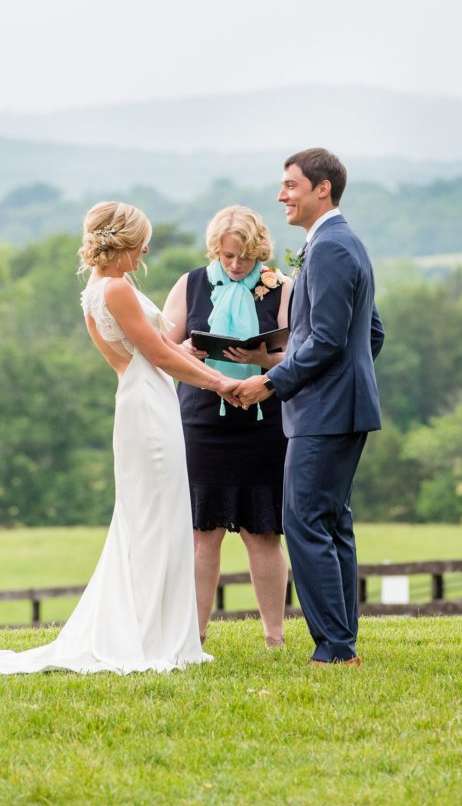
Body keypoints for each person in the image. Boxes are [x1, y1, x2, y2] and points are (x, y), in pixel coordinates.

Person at [0, 201, 239, 675]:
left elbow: (151, 350)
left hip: (139, 397)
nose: (146, 250)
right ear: (122, 243)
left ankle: (161, 631)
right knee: (153, 519)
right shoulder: (116, 289)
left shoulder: (96, 289)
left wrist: (183, 352)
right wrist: (221, 384)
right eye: (141, 242)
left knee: (153, 516)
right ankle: (148, 636)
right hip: (148, 405)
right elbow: (157, 358)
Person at [236, 149, 384, 666]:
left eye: (291, 185)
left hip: (325, 412)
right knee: (331, 522)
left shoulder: (330, 248)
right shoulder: (340, 242)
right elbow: (371, 333)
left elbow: (327, 340)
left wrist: (272, 381)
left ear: (323, 188)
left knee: (304, 522)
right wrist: (348, 379)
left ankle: (335, 649)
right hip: (338, 406)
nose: (282, 195)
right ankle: (342, 643)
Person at [164, 205, 292, 648]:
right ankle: (195, 634)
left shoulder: (283, 287)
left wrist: (262, 358)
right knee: (204, 532)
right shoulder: (191, 284)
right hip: (202, 418)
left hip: (264, 419)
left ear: (260, 251)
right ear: (215, 250)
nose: (236, 265)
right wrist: (187, 350)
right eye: (228, 256)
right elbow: (163, 347)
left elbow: (297, 354)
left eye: (245, 257)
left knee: (263, 531)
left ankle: (274, 635)